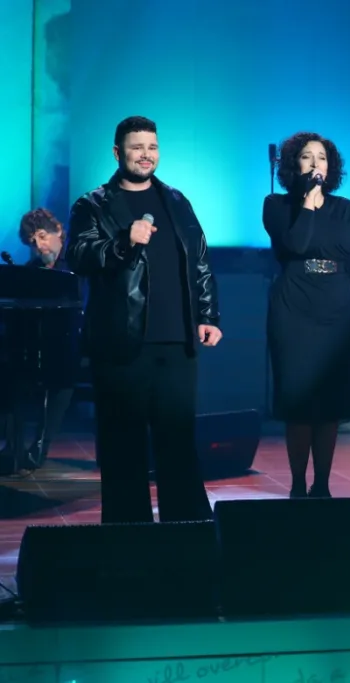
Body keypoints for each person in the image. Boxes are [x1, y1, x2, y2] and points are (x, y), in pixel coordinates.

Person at [65, 115, 222, 524]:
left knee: (178, 443)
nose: (146, 155)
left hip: (178, 342)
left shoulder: (176, 200)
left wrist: (208, 314)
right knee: (123, 447)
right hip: (122, 343)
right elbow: (78, 255)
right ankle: (128, 536)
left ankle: (186, 531)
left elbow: (199, 259)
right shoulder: (93, 204)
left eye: (152, 147)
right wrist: (123, 241)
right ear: (118, 153)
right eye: (137, 147)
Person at [263, 132, 350, 499]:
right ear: (293, 164)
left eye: (322, 157)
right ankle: (298, 485)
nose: (316, 163)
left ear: (331, 167)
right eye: (307, 156)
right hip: (294, 308)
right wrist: (309, 203)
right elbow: (296, 244)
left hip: (337, 308)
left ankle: (323, 486)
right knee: (298, 402)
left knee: (331, 403)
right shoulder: (276, 205)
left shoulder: (345, 208)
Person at [0, 208, 79, 474]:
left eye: (43, 236)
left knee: (63, 380)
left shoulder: (78, 262)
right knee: (10, 372)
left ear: (59, 231)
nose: (39, 246)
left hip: (74, 342)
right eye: (32, 242)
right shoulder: (31, 271)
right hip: (38, 343)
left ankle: (40, 446)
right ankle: (12, 446)